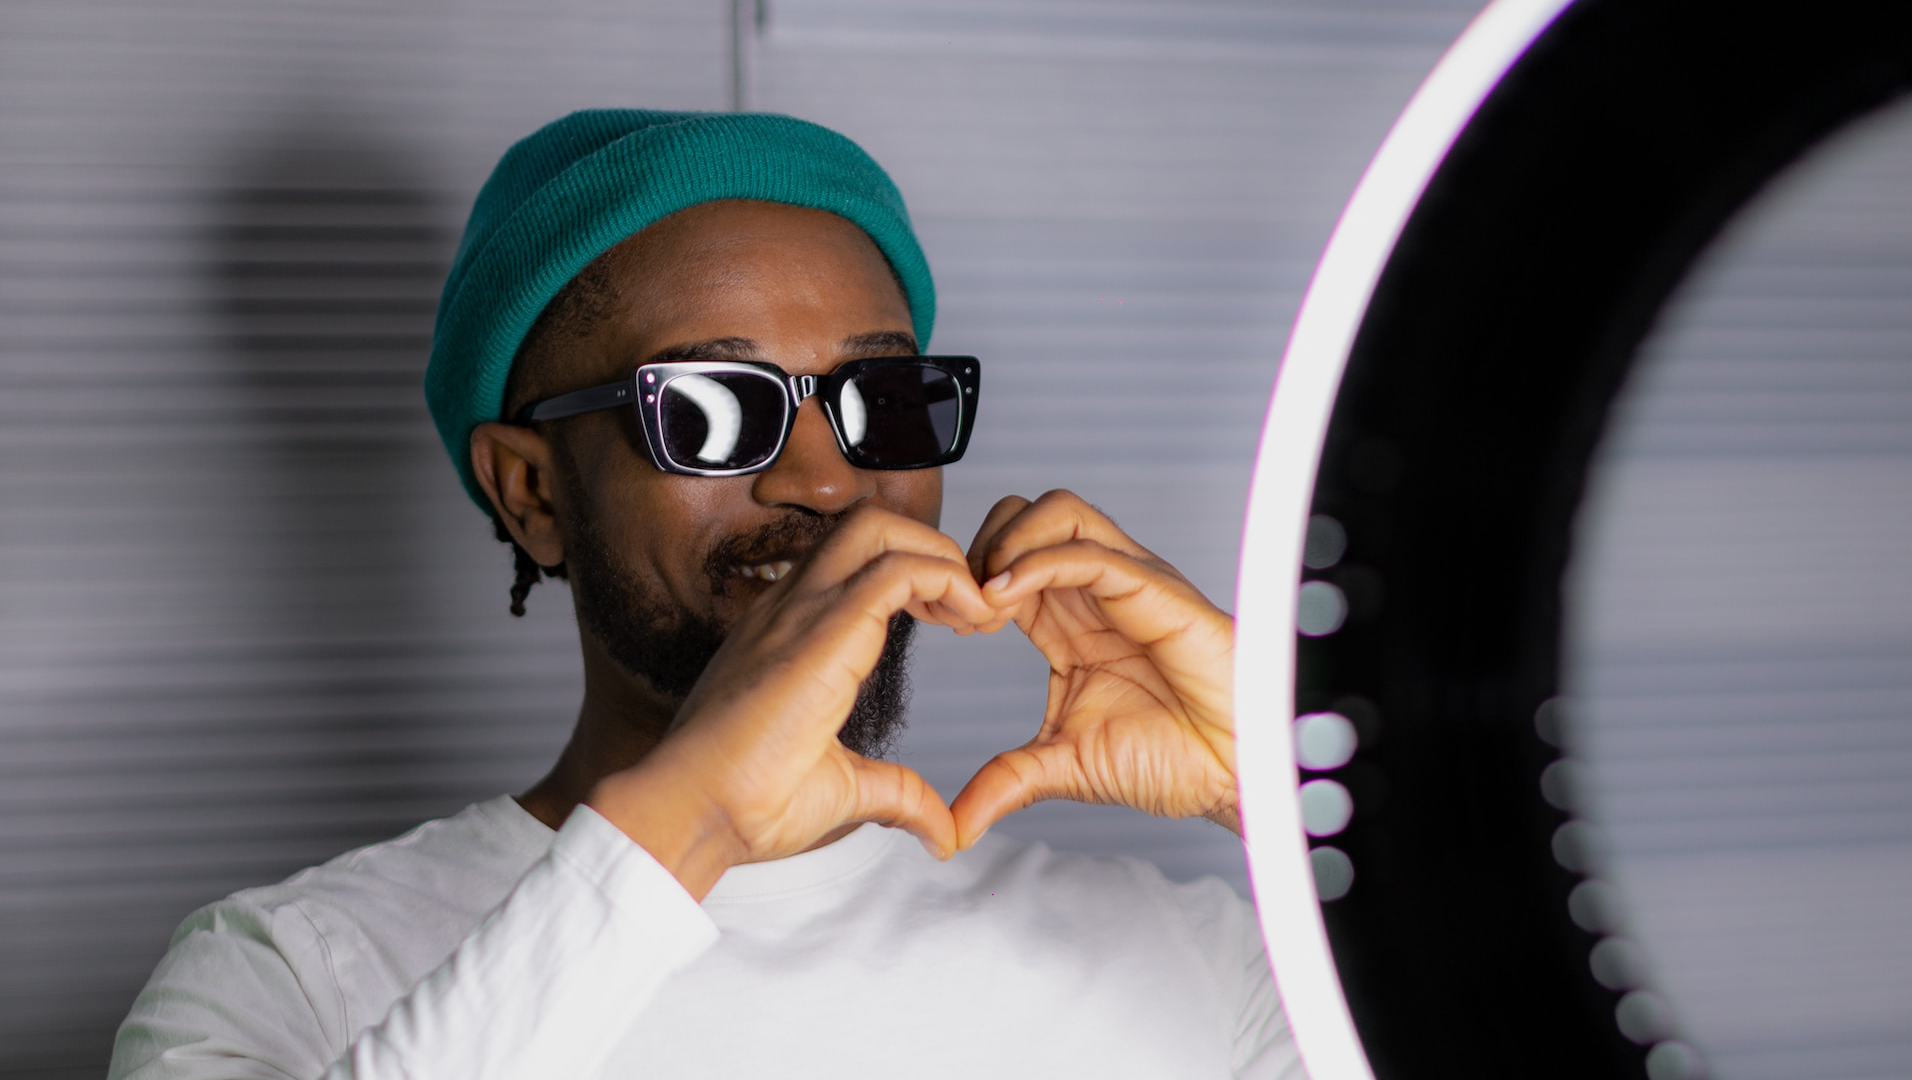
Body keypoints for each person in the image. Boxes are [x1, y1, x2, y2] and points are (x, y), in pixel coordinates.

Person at [109, 110, 1300, 1079]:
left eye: (877, 401)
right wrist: (687, 825)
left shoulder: (1201, 964)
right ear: (531, 493)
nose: (828, 477)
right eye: (713, 411)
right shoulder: (286, 980)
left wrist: (1272, 786)